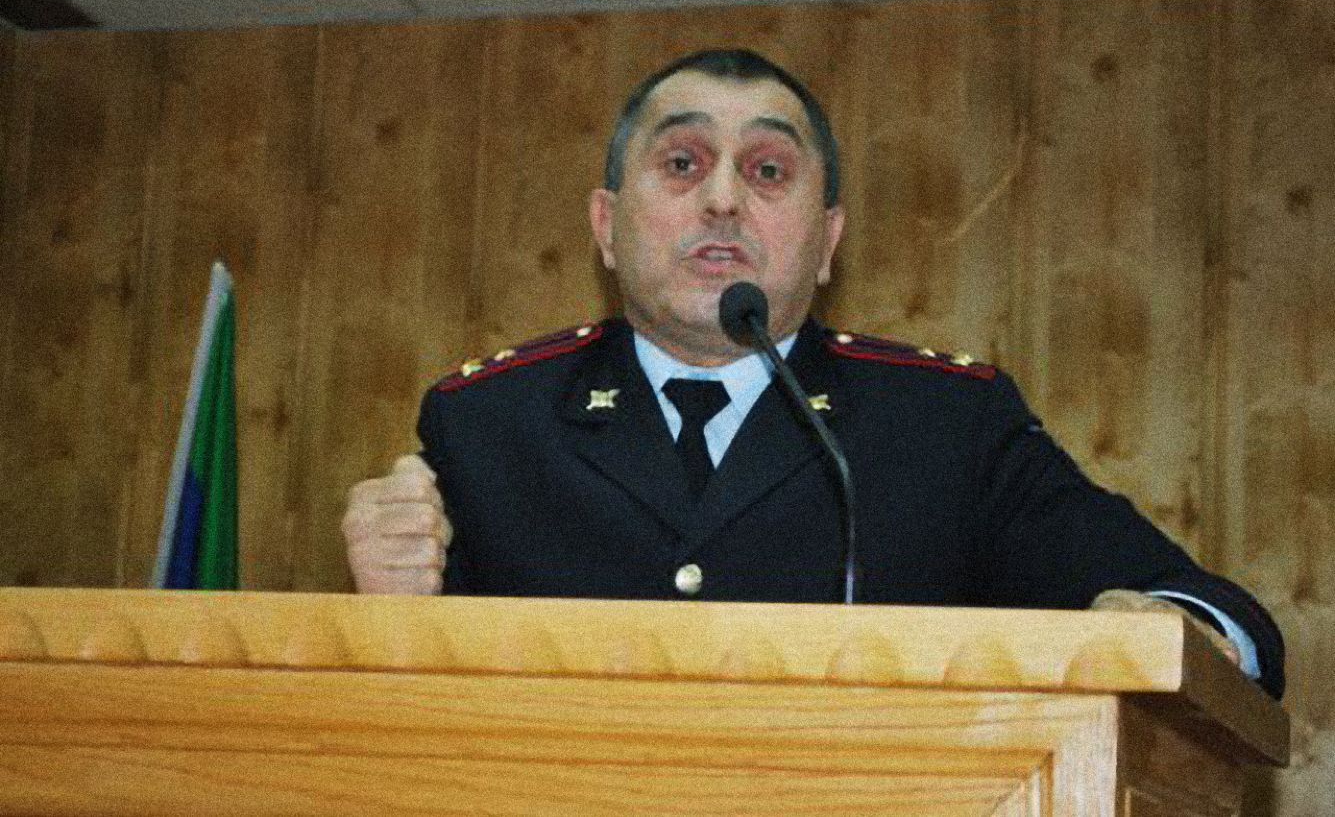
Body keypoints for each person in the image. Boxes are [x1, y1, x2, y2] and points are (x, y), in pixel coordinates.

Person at [342, 49, 1284, 699]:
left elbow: (1219, 619)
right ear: (605, 227)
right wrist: (391, 614)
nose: (721, 199)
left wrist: (1174, 627)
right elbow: (413, 718)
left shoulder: (944, 424)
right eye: (682, 162)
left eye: (766, 171)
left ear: (827, 241)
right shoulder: (489, 422)